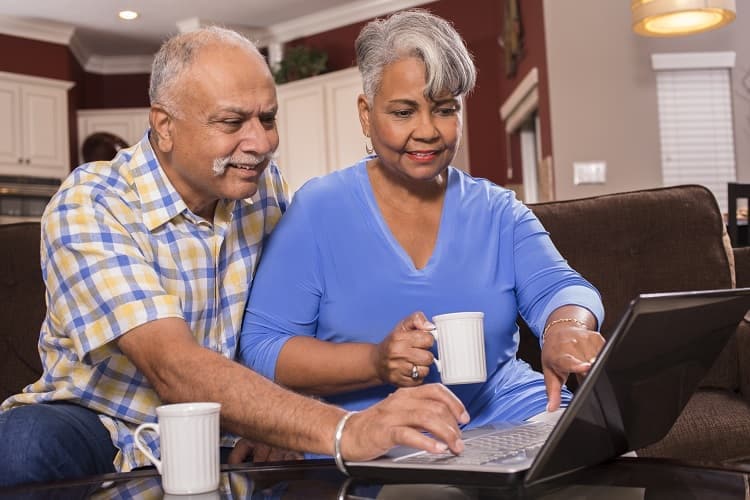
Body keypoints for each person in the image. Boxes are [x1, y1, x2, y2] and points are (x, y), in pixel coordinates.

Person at [0, 26, 468, 488]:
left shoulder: (265, 192)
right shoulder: (92, 203)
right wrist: (344, 429)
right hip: (101, 421)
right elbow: (174, 367)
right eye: (232, 123)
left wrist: (287, 410)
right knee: (24, 445)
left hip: (228, 426)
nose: (261, 143)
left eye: (268, 119)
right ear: (164, 127)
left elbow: (293, 324)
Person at [238, 10, 605, 431]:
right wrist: (374, 361)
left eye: (444, 109)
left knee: (599, 446)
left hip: (503, 407)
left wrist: (564, 328)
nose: (428, 130)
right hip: (371, 426)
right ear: (366, 113)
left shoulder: (498, 210)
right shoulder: (318, 210)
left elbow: (563, 288)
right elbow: (263, 347)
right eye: (403, 112)